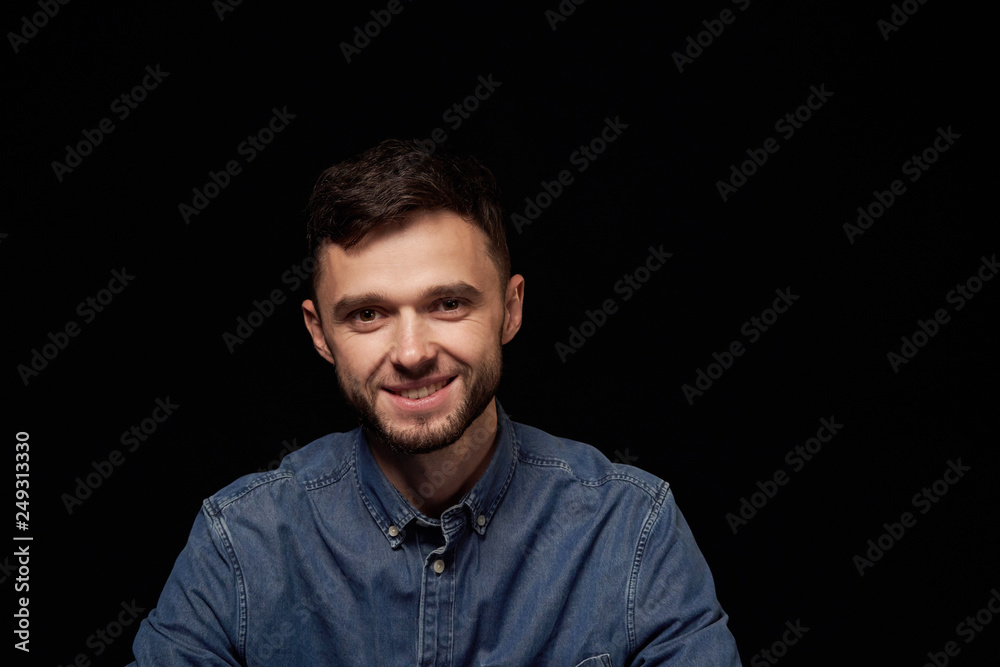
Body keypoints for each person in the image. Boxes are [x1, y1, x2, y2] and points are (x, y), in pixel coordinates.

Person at [129, 139, 742, 665]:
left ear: (511, 308)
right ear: (320, 335)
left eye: (448, 304)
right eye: (368, 314)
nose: (413, 352)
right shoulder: (241, 543)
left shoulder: (632, 530)